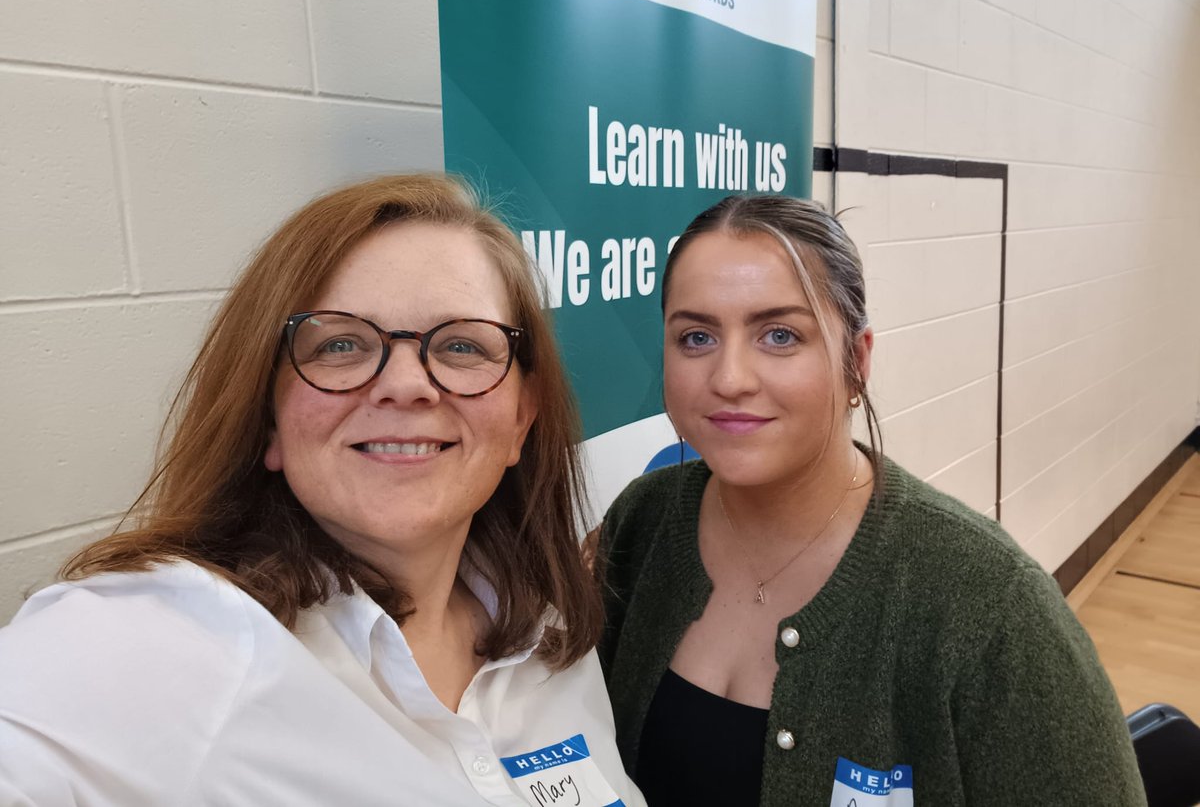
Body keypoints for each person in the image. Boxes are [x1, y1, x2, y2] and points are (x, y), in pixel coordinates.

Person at [0, 175, 645, 807]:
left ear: (521, 421)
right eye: (340, 344)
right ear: (268, 420)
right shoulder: (167, 638)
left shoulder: (546, 636)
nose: (406, 385)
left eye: (460, 346)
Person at [596, 195, 1146, 806]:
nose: (730, 378)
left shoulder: (992, 606)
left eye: (779, 335)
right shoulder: (640, 524)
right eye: (696, 337)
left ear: (855, 362)